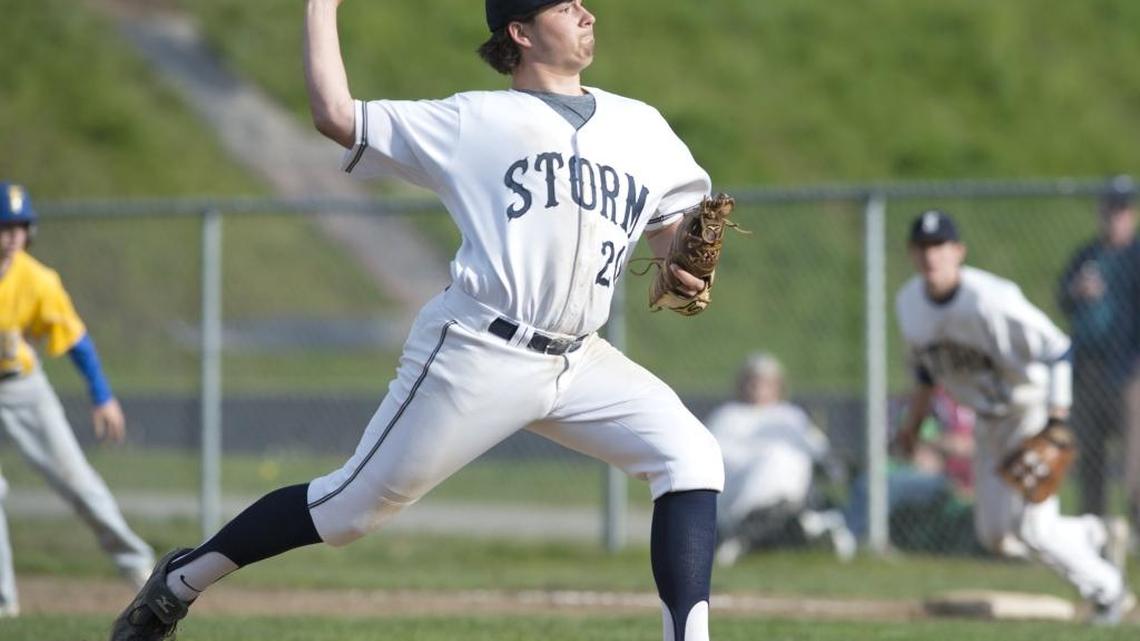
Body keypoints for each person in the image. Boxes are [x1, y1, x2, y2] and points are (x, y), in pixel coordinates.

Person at [110, 1, 727, 640]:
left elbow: (669, 235)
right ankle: (179, 582)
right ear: (520, 31)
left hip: (581, 358)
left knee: (691, 456)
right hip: (481, 352)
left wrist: (680, 267)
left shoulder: (643, 127)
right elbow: (337, 116)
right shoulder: (473, 120)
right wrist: (322, 6)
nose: (586, 12)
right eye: (563, 5)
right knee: (346, 510)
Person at [893, 209, 1133, 624]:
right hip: (989, 420)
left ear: (958, 252)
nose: (931, 256)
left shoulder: (991, 299)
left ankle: (1109, 592)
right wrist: (911, 429)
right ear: (912, 254)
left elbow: (1058, 348)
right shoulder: (909, 304)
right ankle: (1094, 532)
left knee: (1034, 529)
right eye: (923, 247)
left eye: (940, 246)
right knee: (996, 536)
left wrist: (1057, 420)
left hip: (1031, 410)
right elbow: (925, 374)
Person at [0, 182, 154, 618]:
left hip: (21, 387)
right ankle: (3, 601)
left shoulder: (38, 281)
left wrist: (102, 396)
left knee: (78, 482)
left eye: (19, 226)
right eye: (3, 226)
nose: (11, 235)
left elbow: (77, 341)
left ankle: (139, 565)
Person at [708, 353, 855, 565]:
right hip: (735, 495)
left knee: (782, 458)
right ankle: (801, 526)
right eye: (753, 380)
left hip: (789, 496)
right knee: (772, 459)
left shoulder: (791, 416)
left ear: (778, 385)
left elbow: (821, 454)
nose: (758, 387)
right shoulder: (727, 416)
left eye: (766, 381)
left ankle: (748, 533)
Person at [1057, 176, 1140, 520]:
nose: (1114, 217)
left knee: (1135, 459)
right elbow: (1062, 298)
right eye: (1109, 209)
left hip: (1130, 372)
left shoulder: (1136, 256)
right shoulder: (1087, 255)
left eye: (1122, 210)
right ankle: (1094, 530)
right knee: (1089, 457)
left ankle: (1136, 531)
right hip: (1089, 371)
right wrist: (1076, 290)